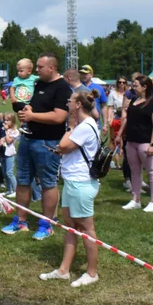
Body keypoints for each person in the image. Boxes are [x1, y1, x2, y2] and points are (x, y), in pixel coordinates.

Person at [3, 54, 71, 239]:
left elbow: (59, 117)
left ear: (52, 68)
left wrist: (33, 117)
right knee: (23, 180)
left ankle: (46, 224)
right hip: (27, 139)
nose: (37, 70)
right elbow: (35, 106)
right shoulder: (39, 84)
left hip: (48, 143)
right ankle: (21, 221)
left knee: (48, 183)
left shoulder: (63, 87)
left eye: (40, 67)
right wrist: (27, 111)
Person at [39, 91, 102, 288]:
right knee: (69, 226)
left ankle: (92, 273)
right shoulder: (86, 125)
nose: (67, 103)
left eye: (70, 101)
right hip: (72, 181)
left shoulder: (84, 126)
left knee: (86, 228)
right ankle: (63, 270)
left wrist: (70, 127)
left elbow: (63, 146)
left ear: (77, 105)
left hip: (80, 183)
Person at [119, 74, 153, 213]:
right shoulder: (134, 100)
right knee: (135, 171)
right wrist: (119, 134)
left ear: (144, 87)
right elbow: (127, 119)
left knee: (151, 171)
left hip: (146, 142)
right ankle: (135, 199)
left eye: (136, 85)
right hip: (131, 141)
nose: (133, 87)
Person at [10, 58, 38, 135]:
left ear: (29, 71)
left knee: (29, 112)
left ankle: (25, 127)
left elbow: (43, 78)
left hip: (28, 102)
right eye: (18, 71)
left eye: (21, 71)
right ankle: (24, 126)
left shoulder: (33, 78)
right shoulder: (17, 79)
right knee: (27, 111)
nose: (19, 73)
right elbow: (12, 88)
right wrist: (12, 97)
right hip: (18, 101)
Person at [1, 112, 20, 197]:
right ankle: (9, 190)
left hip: (10, 153)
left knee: (9, 173)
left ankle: (16, 190)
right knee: (4, 173)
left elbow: (9, 141)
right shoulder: (4, 129)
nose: (5, 122)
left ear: (12, 121)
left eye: (8, 120)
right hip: (2, 153)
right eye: (5, 120)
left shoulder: (15, 131)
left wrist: (5, 131)